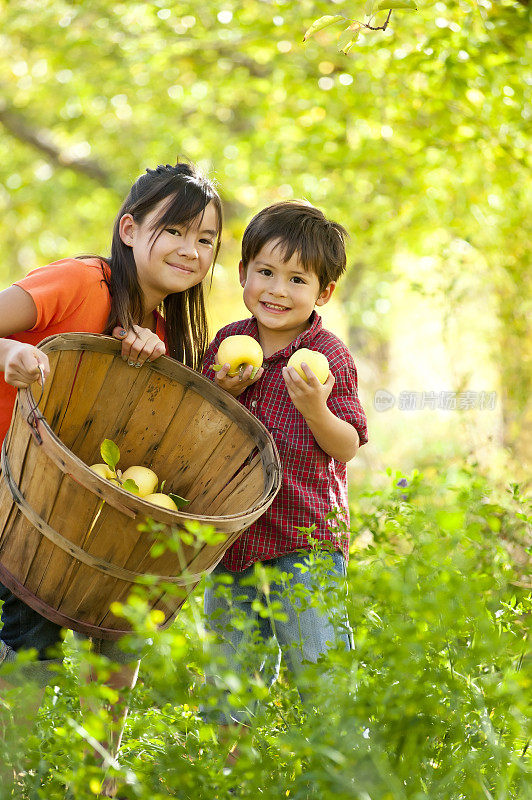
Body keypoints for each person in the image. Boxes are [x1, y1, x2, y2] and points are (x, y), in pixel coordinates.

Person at [0, 161, 223, 797]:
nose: (190, 249)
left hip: (65, 494)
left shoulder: (158, 330)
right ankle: (14, 774)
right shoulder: (78, 281)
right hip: (11, 488)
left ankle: (97, 777)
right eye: (174, 230)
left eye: (205, 238)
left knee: (119, 622)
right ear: (129, 228)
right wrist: (9, 350)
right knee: (31, 634)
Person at [201, 200, 368, 752]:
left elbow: (349, 444)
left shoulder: (329, 356)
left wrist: (317, 409)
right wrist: (223, 394)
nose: (276, 289)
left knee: (318, 660)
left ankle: (341, 766)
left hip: (306, 537)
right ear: (243, 273)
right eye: (265, 272)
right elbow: (199, 429)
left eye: (296, 279)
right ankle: (233, 770)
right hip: (237, 536)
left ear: (323, 294)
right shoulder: (228, 343)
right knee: (232, 669)